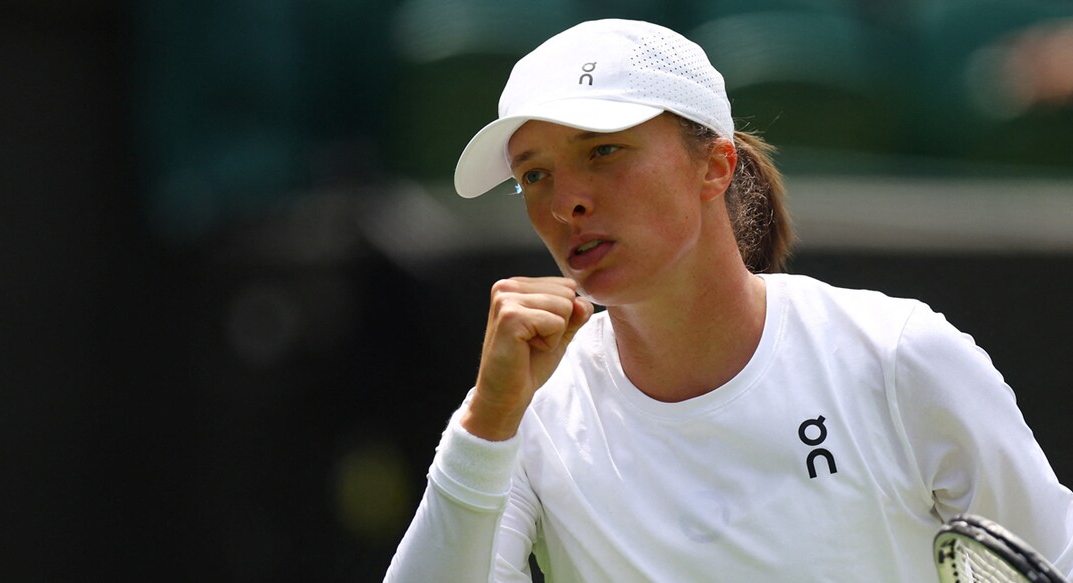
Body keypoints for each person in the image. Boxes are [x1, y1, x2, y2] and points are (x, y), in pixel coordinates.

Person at [383, 18, 1073, 582]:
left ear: (714, 165)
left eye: (603, 152)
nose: (567, 201)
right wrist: (485, 423)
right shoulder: (526, 419)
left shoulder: (897, 357)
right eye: (533, 174)